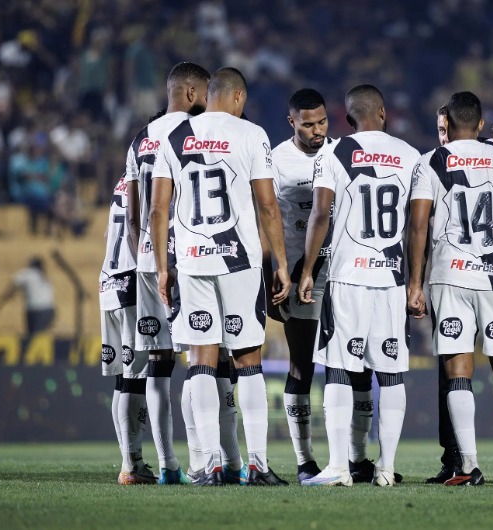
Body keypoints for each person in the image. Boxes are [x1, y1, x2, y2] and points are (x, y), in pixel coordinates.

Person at [150, 67, 291, 487]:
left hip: (192, 263)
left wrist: (162, 267)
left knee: (200, 365)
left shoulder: (172, 137)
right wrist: (280, 262)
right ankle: (259, 466)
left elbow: (158, 209)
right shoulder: (251, 134)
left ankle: (207, 464)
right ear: (238, 98)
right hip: (239, 262)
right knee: (248, 363)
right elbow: (267, 205)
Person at [407, 92, 493, 486]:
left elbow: (418, 226)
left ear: (445, 122)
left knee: (458, 372)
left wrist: (414, 284)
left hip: (450, 277)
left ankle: (466, 466)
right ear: (482, 125)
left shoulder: (431, 160)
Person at [298, 84, 420, 487]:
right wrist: (415, 282)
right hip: (391, 279)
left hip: (348, 277)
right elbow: (420, 226)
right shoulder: (410, 156)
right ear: (383, 112)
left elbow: (319, 215)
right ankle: (385, 468)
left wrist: (307, 271)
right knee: (391, 374)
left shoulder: (333, 153)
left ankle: (337, 469)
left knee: (338, 369)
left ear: (348, 119)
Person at [124, 62, 211, 485]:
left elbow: (133, 214)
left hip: (145, 259)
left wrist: (144, 256)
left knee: (158, 363)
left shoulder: (141, 137)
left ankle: (167, 465)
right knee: (203, 358)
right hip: (187, 260)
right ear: (192, 92)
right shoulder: (195, 135)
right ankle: (207, 459)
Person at [265, 88, 331, 484]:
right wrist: (276, 271)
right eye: (308, 124)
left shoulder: (338, 154)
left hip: (339, 271)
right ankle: (305, 460)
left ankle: (351, 458)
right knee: (301, 363)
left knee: (349, 365)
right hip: (295, 274)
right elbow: (266, 216)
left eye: (322, 121)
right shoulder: (275, 159)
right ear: (292, 122)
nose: (317, 130)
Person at [98, 173, 154, 485]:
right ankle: (131, 465)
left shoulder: (123, 179)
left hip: (108, 279)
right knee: (135, 378)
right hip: (132, 280)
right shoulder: (153, 175)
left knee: (124, 380)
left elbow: (108, 233)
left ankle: (129, 463)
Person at [0, 256, 55, 336]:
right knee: (42, 337)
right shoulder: (45, 277)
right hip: (50, 311)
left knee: (33, 338)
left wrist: (0, 302)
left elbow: (11, 288)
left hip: (35, 311)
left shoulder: (27, 274)